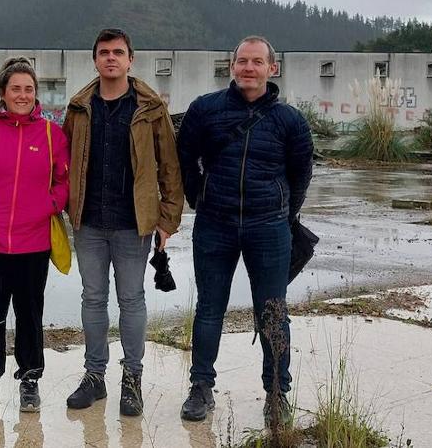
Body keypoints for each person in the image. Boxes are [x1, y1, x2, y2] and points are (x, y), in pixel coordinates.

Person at [176, 36, 314, 428]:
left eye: (257, 62)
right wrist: (197, 196)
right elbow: (184, 155)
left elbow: (301, 174)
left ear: (273, 68)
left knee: (273, 312)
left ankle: (276, 393)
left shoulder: (290, 120)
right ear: (231, 66)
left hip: (268, 228)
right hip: (214, 224)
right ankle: (201, 386)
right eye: (242, 61)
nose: (248, 68)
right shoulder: (205, 110)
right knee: (208, 309)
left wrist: (283, 209)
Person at [63, 28, 185, 417]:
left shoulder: (150, 108)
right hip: (89, 223)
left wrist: (168, 219)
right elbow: (62, 164)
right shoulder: (79, 107)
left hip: (135, 224)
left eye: (118, 52)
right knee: (93, 299)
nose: (111, 58)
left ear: (130, 59)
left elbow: (170, 168)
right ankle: (94, 377)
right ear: (95, 59)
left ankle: (132, 379)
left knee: (132, 300)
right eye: (104, 52)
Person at [0, 57, 69, 413]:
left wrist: (50, 205)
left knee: (29, 312)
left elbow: (63, 181)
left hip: (34, 241)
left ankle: (30, 378)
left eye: (28, 89)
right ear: (3, 93)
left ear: (36, 93)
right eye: (15, 89)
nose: (22, 95)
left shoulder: (52, 134)